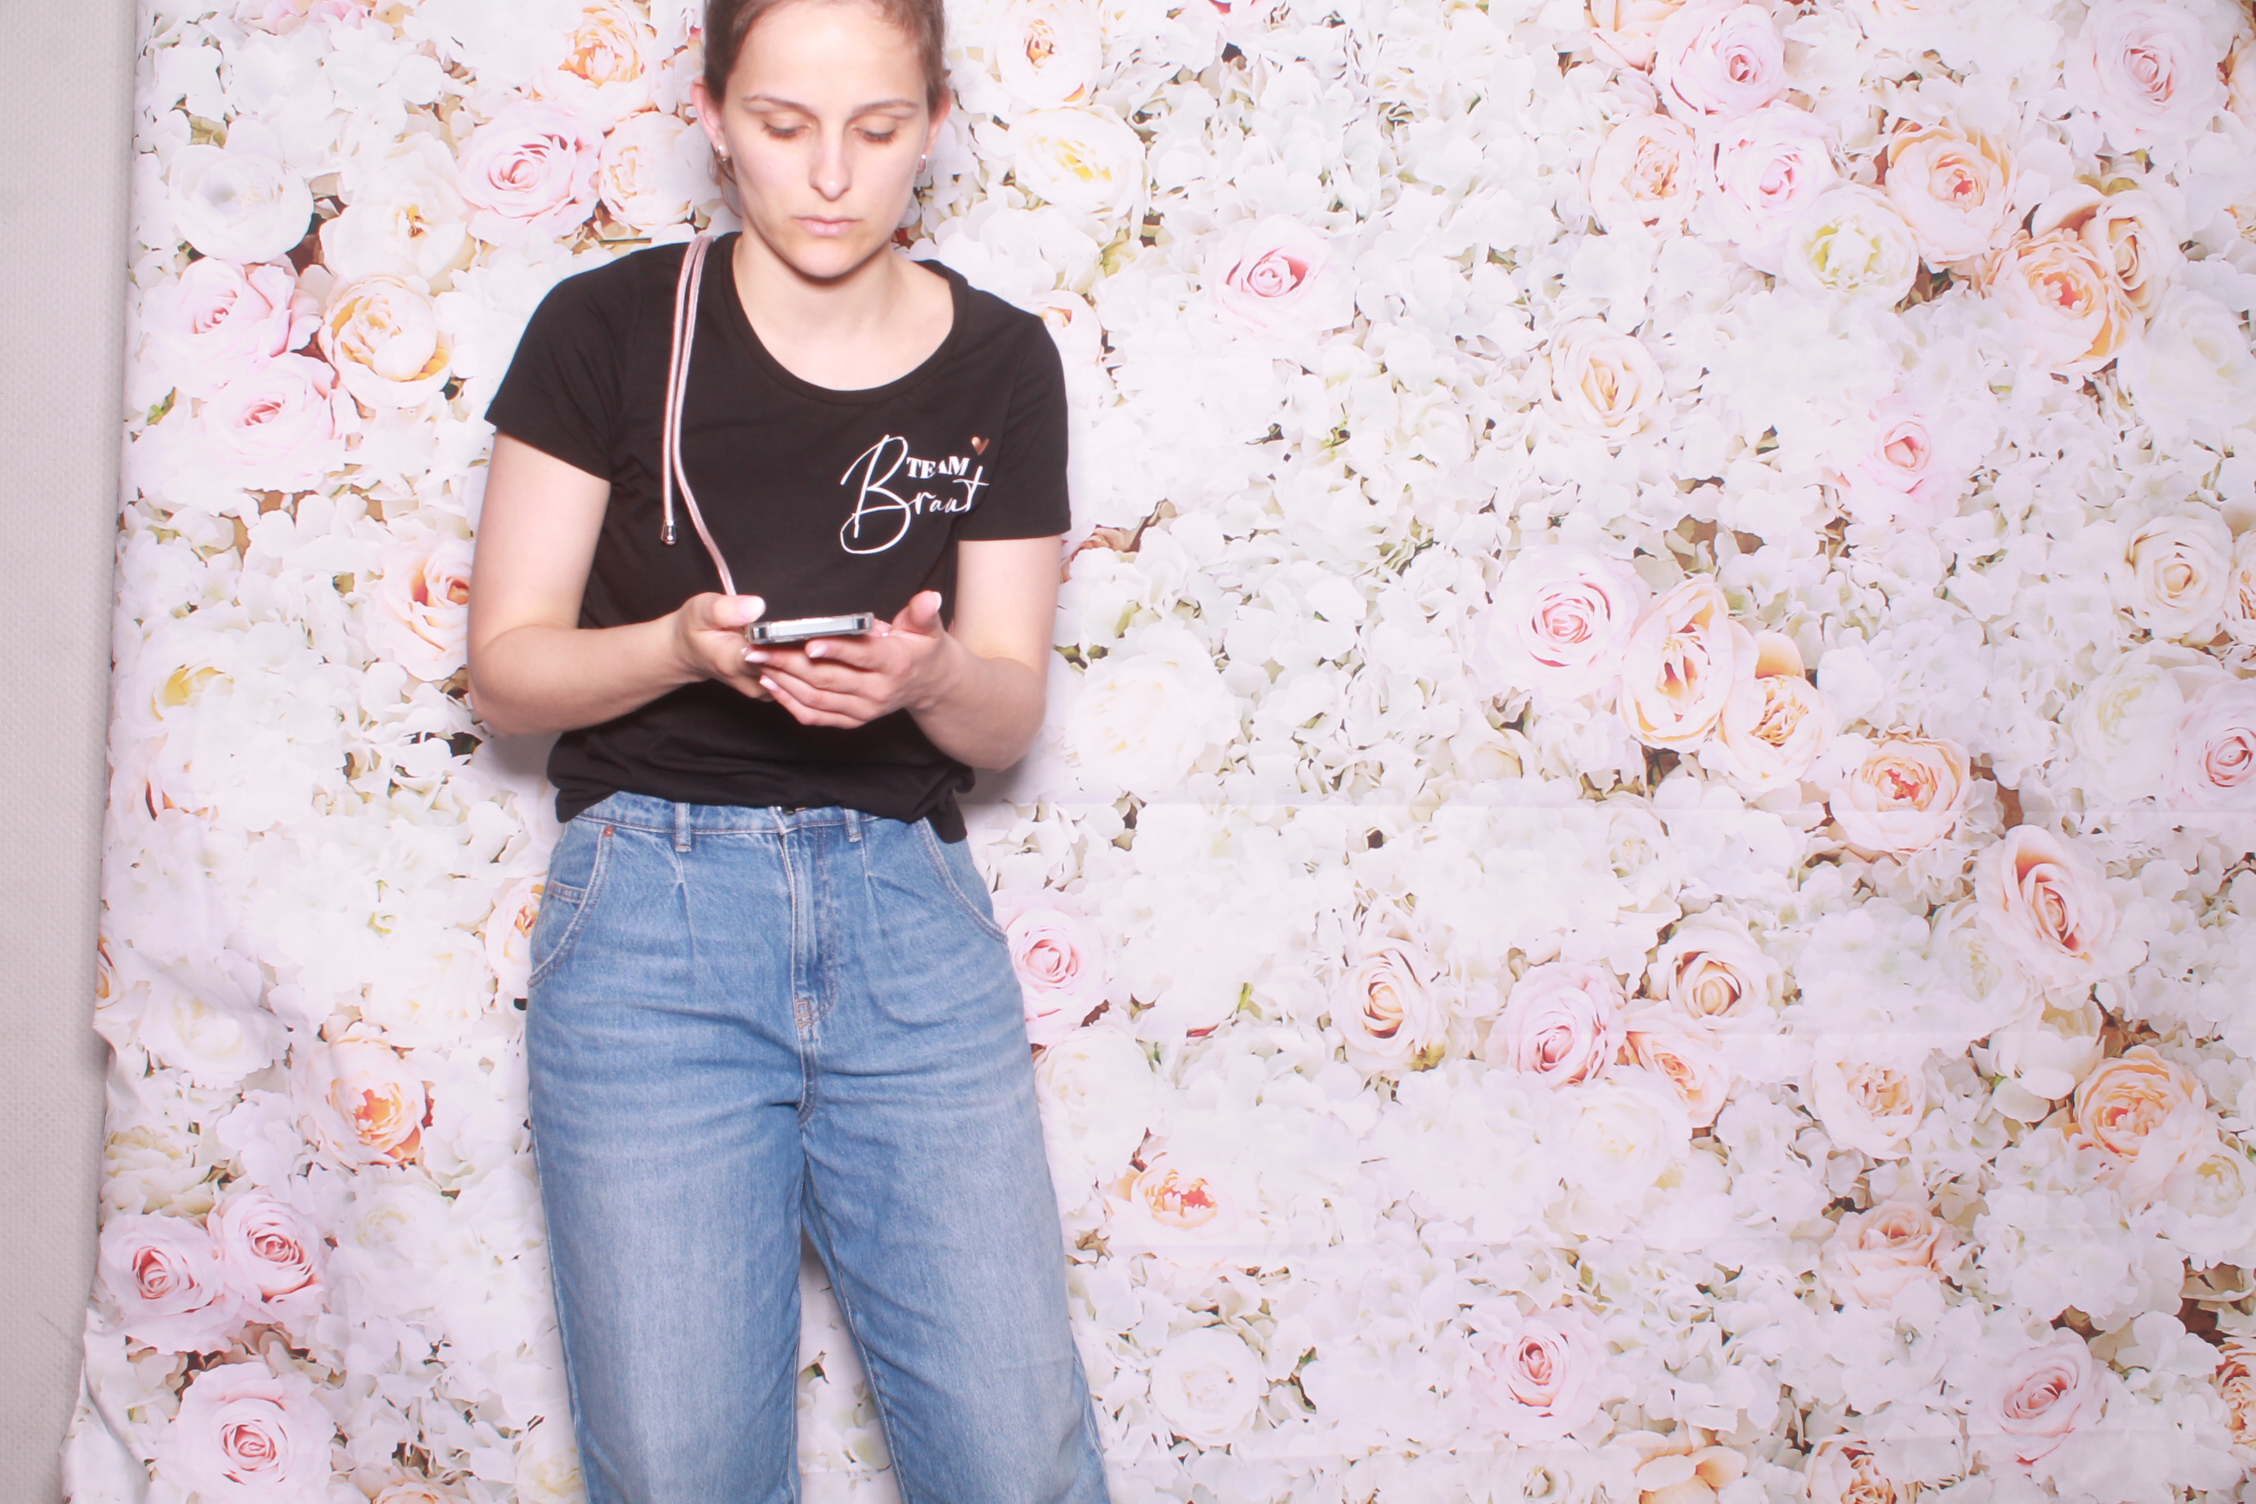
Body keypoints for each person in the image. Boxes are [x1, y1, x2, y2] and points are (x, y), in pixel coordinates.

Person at [465, 0, 1112, 1497]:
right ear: (710, 117)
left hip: (908, 924)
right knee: (682, 1468)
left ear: (934, 126)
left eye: (876, 130)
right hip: (651, 929)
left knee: (1014, 1457)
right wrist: (678, 647)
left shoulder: (1005, 361)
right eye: (782, 125)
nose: (830, 174)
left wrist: (930, 677)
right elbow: (507, 674)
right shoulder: (605, 328)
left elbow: (1006, 714)